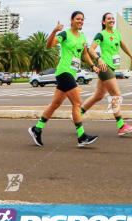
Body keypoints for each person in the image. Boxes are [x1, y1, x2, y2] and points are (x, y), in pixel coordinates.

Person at [28, 11, 99, 148]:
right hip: (63, 72)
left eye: (82, 19)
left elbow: (84, 53)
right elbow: (49, 45)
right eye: (78, 19)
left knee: (55, 104)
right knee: (77, 103)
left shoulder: (82, 36)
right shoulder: (65, 34)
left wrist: (92, 65)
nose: (80, 21)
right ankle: (81, 136)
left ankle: (37, 129)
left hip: (71, 73)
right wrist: (54, 30)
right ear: (71, 20)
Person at [81, 12, 132, 136]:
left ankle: (77, 114)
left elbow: (123, 46)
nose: (111, 20)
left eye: (113, 18)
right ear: (104, 22)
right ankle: (121, 126)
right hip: (104, 67)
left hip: (112, 67)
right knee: (116, 95)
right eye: (109, 19)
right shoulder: (101, 35)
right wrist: (99, 59)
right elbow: (91, 49)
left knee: (98, 95)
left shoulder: (117, 33)